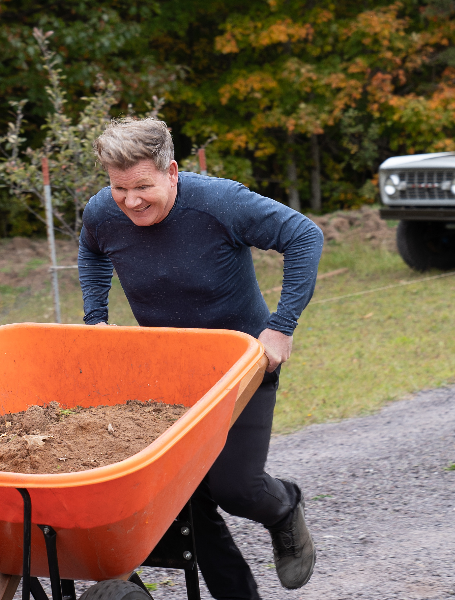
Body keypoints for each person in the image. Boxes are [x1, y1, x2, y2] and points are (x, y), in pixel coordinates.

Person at [78, 117, 322, 599]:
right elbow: (91, 251)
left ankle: (284, 507)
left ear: (171, 171)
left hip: (243, 366)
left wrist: (281, 328)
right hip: (169, 373)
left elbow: (304, 236)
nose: (131, 201)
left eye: (143, 186)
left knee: (235, 488)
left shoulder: (219, 202)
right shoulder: (103, 212)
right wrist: (96, 319)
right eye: (119, 187)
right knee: (185, 503)